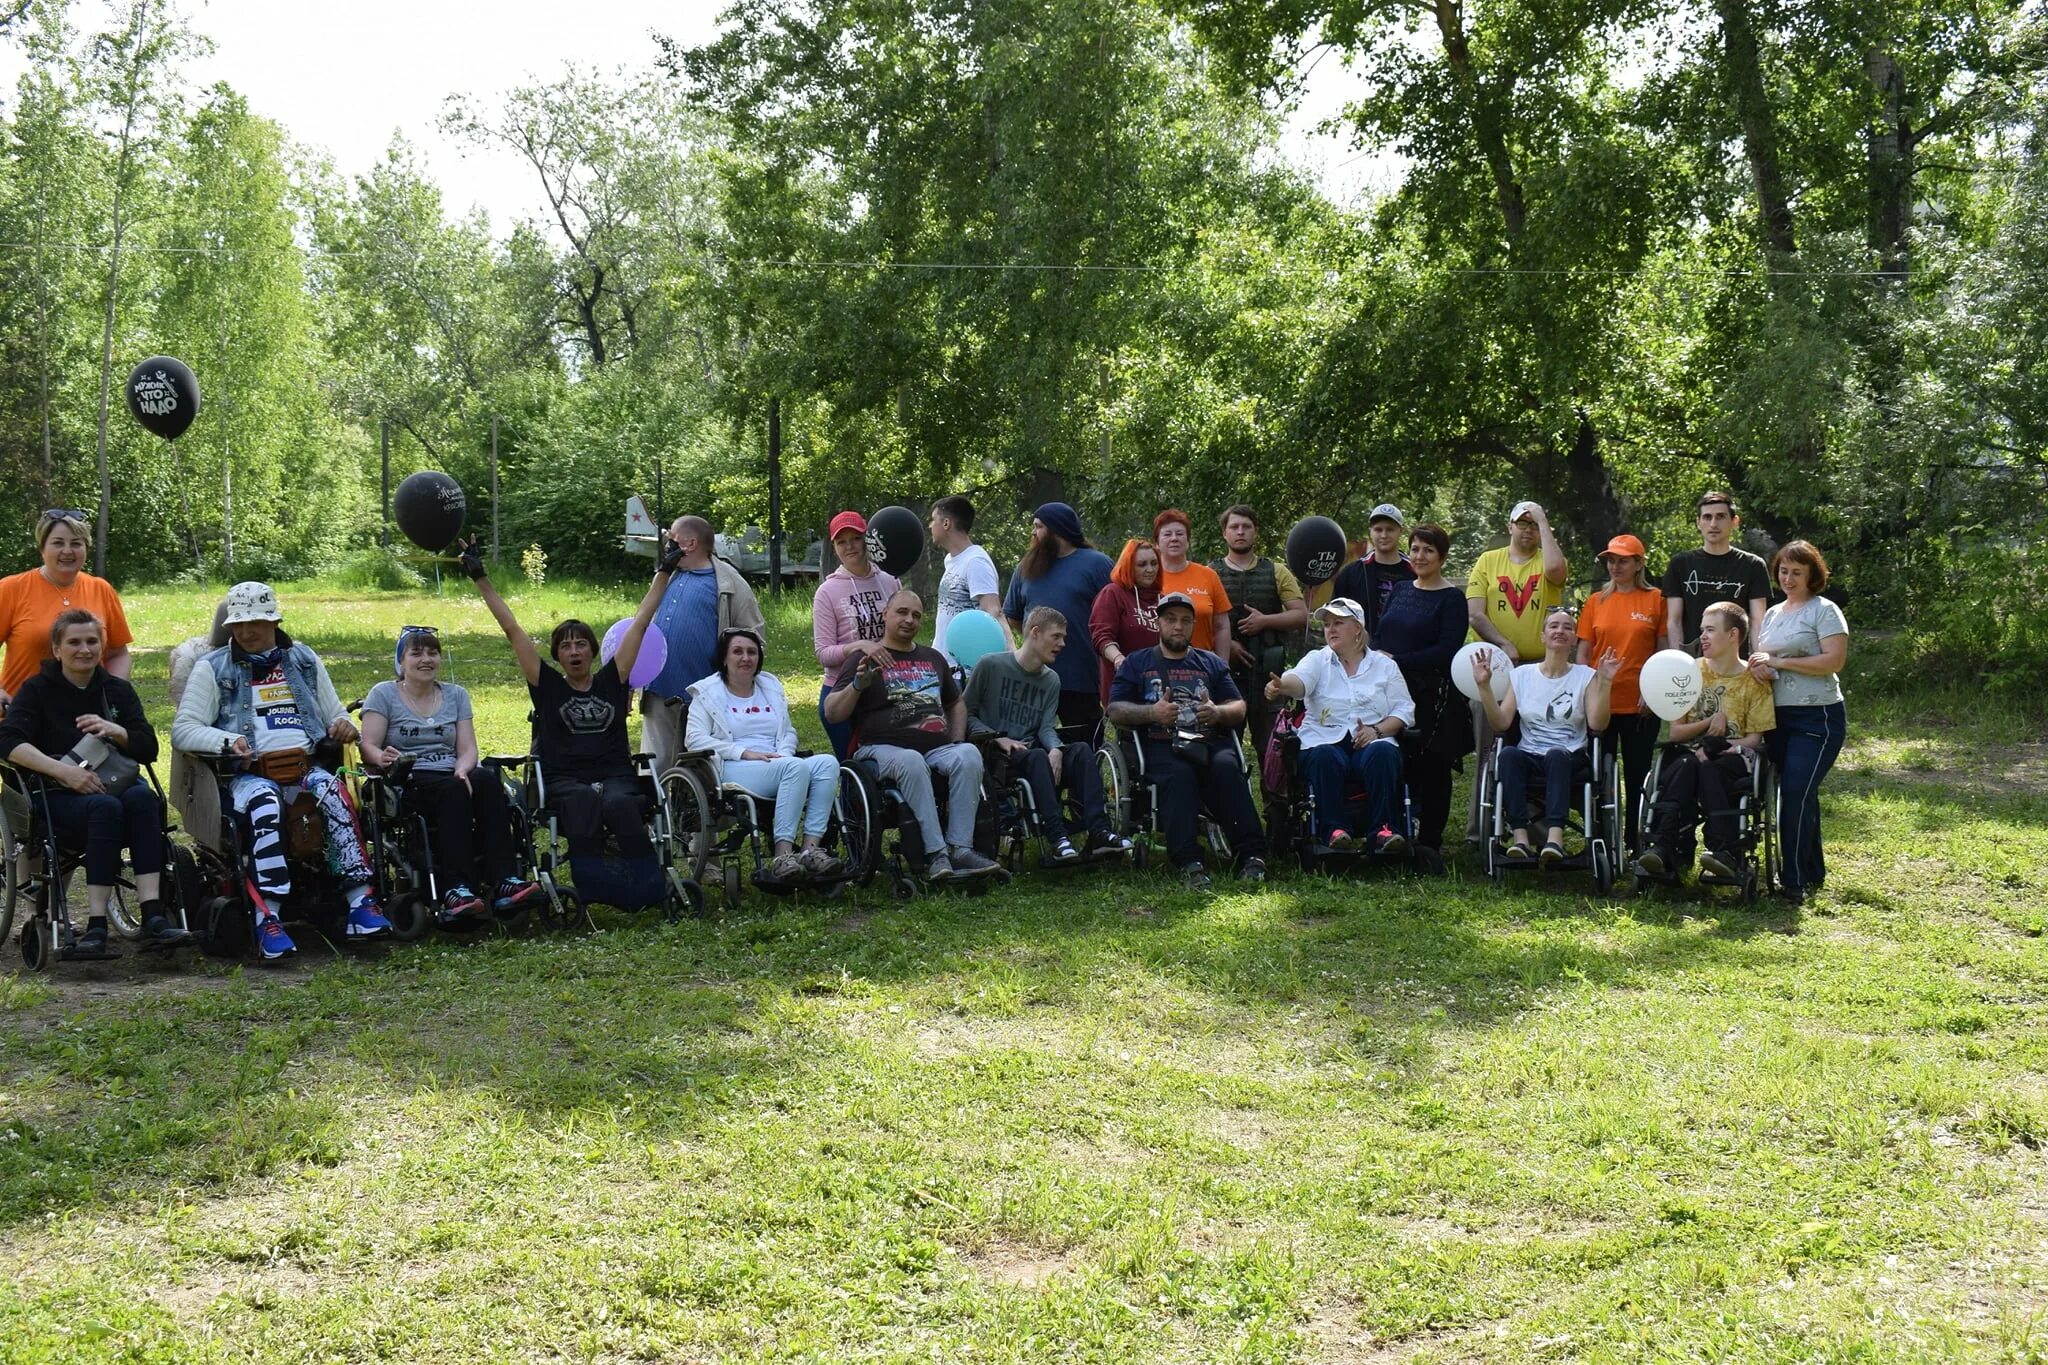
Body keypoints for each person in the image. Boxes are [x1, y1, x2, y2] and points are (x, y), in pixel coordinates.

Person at [170, 581, 394, 960]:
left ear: (274, 621)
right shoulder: (212, 668)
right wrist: (225, 742)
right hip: (246, 775)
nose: (246, 632)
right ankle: (267, 917)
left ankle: (360, 903)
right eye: (239, 624)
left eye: (255, 622)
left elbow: (334, 714)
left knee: (335, 795)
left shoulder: (304, 660)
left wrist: (342, 726)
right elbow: (184, 729)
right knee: (265, 804)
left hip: (305, 767)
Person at [464, 535, 672, 868]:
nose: (574, 651)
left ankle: (644, 879)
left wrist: (666, 569)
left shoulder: (613, 678)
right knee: (582, 800)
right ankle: (593, 878)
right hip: (566, 782)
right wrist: (480, 577)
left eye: (580, 644)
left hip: (615, 776)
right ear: (557, 655)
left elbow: (642, 622)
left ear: (593, 650)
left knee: (620, 803)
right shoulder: (547, 686)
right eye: (565, 646)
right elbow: (512, 630)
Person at [0, 609, 187, 955]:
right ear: (56, 650)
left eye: (92, 641)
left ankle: (152, 912)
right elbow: (9, 742)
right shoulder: (37, 690)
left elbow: (149, 747)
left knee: (144, 800)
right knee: (105, 807)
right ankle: (96, 923)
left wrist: (119, 731)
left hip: (112, 785)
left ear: (102, 646)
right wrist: (64, 772)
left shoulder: (116, 691)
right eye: (74, 642)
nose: (84, 649)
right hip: (55, 794)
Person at [359, 625, 542, 927]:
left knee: (486, 781)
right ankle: (457, 889)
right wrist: (382, 757)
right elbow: (368, 746)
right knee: (453, 790)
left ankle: (505, 880)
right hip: (410, 778)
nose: (426, 659)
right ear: (401, 661)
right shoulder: (384, 694)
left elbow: (469, 748)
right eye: (416, 653)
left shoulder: (456, 695)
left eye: (433, 652)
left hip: (452, 773)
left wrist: (462, 768)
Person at [824, 590, 998, 881]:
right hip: (881, 750)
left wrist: (956, 739)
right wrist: (857, 685)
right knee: (911, 760)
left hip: (936, 749)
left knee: (968, 754)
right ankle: (936, 855)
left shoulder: (933, 658)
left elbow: (955, 703)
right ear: (885, 615)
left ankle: (961, 849)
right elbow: (832, 713)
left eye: (916, 615)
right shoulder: (864, 658)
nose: (909, 620)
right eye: (902, 612)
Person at [1106, 592, 1268, 890]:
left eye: (1185, 620)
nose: (1178, 626)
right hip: (1159, 744)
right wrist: (1152, 712)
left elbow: (1239, 705)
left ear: (1194, 625)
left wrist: (1217, 711)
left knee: (1228, 768)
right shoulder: (1136, 663)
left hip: (1208, 741)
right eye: (1170, 620)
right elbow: (1115, 709)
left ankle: (1253, 855)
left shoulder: (1210, 663)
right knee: (1178, 774)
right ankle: (1189, 861)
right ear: (1159, 623)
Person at [965, 606, 1130, 862]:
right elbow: (966, 713)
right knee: (1037, 756)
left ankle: (1099, 829)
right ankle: (1056, 835)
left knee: (1082, 750)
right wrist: (997, 737)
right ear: (1036, 632)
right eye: (1057, 636)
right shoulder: (991, 665)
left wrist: (1056, 748)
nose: (1062, 643)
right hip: (999, 757)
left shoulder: (1051, 680)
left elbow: (1045, 727)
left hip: (1034, 754)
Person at [685, 627, 844, 884]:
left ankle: (810, 850)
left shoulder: (769, 686)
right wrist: (744, 752)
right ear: (724, 658)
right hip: (731, 765)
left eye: (751, 652)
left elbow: (788, 731)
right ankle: (783, 856)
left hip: (777, 762)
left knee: (827, 763)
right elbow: (695, 739)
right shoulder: (707, 693)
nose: (746, 658)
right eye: (737, 651)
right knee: (795, 768)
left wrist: (782, 754)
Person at [1636, 602, 1775, 881]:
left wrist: (1717, 746)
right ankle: (1664, 848)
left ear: (1733, 635)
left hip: (1733, 758)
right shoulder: (1688, 672)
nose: (1703, 637)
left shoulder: (1754, 679)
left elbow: (1754, 739)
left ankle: (1725, 853)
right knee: (1688, 765)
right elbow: (1676, 733)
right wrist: (1708, 724)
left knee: (1710, 768)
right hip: (1687, 755)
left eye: (1710, 630)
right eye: (1702, 630)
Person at [1264, 597, 1415, 853]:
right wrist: (1282, 686)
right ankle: (1334, 830)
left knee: (1384, 753)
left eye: (1338, 623)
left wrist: (1376, 730)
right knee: (1324, 756)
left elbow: (1404, 710)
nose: (1330, 629)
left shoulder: (1385, 666)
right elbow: (1299, 681)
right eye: (1326, 624)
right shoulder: (1317, 659)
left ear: (1357, 628)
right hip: (1323, 739)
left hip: (1371, 740)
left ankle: (1384, 831)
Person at [1471, 609, 1621, 863]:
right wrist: (1484, 688)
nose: (1560, 631)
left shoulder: (1585, 676)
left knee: (1556, 755)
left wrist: (1605, 683)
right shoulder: (1521, 676)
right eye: (1553, 626)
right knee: (1507, 755)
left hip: (1570, 756)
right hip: (1530, 755)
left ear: (1574, 639)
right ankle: (1520, 839)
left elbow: (1597, 724)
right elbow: (1501, 723)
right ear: (1543, 636)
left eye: (1567, 627)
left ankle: (1555, 840)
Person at [1749, 541, 1848, 907]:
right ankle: (1812, 870)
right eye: (1783, 571)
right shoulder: (1774, 614)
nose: (1788, 578)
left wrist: (1779, 662)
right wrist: (1759, 667)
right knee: (1800, 792)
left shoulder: (1825, 611)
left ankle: (1792, 881)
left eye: (1797, 572)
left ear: (1812, 575)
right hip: (1777, 717)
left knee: (1793, 792)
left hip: (1817, 716)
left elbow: (1834, 661)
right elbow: (1766, 661)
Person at [1465, 500, 1570, 840]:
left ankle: (1535, 830)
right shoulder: (1488, 561)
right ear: (1509, 527)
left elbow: (1557, 573)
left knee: (1535, 746)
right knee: (1489, 747)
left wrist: (1542, 516)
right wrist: (1505, 644)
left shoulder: (1546, 560)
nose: (1528, 529)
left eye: (1534, 524)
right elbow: (1476, 613)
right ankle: (1481, 828)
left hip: (1540, 670)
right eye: (1522, 523)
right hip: (1494, 668)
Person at [1373, 523, 1472, 853]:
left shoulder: (1452, 599)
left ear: (1442, 557)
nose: (1420, 555)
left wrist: (1397, 659)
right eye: (1415, 548)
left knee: (1432, 765)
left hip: (1433, 694)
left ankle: (1430, 840)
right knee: (1397, 759)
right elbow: (1380, 634)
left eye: (1428, 550)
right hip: (1390, 689)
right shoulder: (1401, 589)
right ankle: (1397, 828)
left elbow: (1447, 651)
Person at [640, 514, 765, 774]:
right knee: (654, 766)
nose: (667, 546)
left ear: (690, 543)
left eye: (672, 540)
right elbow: (642, 623)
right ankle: (656, 813)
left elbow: (753, 636)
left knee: (700, 769)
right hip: (657, 690)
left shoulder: (729, 582)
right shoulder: (667, 576)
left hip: (702, 695)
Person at [1575, 534, 1665, 854]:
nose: (1615, 566)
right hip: (1602, 703)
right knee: (1598, 773)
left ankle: (1635, 841)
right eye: (1611, 561)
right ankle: (1600, 840)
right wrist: (1586, 693)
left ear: (1639, 564)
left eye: (1623, 560)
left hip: (1641, 704)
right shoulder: (1595, 601)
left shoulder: (1656, 599)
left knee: (1638, 774)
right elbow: (1584, 653)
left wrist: (1655, 691)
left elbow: (1663, 651)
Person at [0, 509, 134, 710]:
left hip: (88, 715)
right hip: (22, 714)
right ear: (42, 548)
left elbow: (118, 654)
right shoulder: (11, 588)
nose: (67, 551)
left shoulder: (101, 589)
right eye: (58, 543)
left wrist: (114, 692)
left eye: (76, 543)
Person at [1002, 503, 1114, 730]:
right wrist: (1039, 639)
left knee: (1084, 744)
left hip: (1081, 676)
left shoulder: (1097, 564)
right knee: (1032, 744)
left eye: (1038, 526)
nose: (1033, 532)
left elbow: (1114, 612)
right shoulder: (1027, 566)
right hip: (1034, 675)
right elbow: (1012, 615)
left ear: (1057, 529)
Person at [1210, 505, 1307, 765]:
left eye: (1246, 527)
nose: (1240, 532)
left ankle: (1276, 806)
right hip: (1225, 675)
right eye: (1234, 527)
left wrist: (1265, 621)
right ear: (1224, 533)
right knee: (1223, 751)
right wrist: (1226, 643)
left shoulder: (1277, 571)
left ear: (1255, 532)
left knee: (1273, 751)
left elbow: (1300, 615)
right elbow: (1196, 622)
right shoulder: (1210, 573)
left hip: (1268, 676)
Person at [814, 511, 901, 758]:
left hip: (886, 689)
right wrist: (859, 645)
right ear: (834, 546)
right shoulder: (827, 591)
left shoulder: (890, 580)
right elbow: (823, 654)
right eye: (841, 542)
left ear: (868, 540)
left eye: (855, 538)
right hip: (841, 690)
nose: (849, 546)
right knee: (852, 765)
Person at [1663, 491, 1769, 653]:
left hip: (1736, 664)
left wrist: (1759, 660)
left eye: (1720, 517)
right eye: (1707, 517)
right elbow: (1674, 621)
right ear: (1698, 522)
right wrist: (1679, 661)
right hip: (1693, 664)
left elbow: (1757, 621)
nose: (1713, 524)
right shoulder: (1680, 564)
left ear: (1735, 521)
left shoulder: (1753, 565)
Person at [929, 495, 1011, 665]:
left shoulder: (976, 562)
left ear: (946, 524)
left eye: (933, 520)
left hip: (964, 671)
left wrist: (1012, 658)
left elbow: (994, 612)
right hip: (945, 665)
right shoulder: (951, 560)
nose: (930, 525)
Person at [1151, 509, 1233, 658]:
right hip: (1155, 667)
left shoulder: (1208, 575)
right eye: (1167, 534)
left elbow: (1221, 626)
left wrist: (1222, 667)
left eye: (1180, 534)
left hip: (1202, 666)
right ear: (1156, 543)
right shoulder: (1147, 578)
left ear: (1188, 540)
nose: (1174, 538)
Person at [1089, 538, 1163, 704]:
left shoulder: (1163, 599)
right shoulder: (1112, 594)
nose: (1150, 569)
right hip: (1124, 688)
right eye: (1142, 564)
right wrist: (1118, 659)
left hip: (1158, 688)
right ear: (1129, 566)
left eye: (1154, 563)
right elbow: (1101, 637)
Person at [1327, 503, 1416, 634]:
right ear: (1370, 531)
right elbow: (1335, 616)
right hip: (1361, 649)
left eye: (1390, 529)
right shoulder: (1351, 573)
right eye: (1378, 529)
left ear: (1400, 531)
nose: (1384, 535)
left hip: (1405, 650)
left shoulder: (1415, 572)